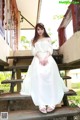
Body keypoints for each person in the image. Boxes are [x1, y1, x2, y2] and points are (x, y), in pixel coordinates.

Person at [20, 23, 69, 114]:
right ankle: (41, 103)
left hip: (48, 58)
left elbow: (50, 50)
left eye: (41, 29)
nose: (40, 31)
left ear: (44, 29)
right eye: (38, 29)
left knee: (50, 76)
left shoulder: (48, 39)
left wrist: (45, 58)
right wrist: (40, 58)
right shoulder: (33, 40)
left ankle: (52, 102)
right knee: (39, 75)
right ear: (36, 30)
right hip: (38, 59)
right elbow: (34, 51)